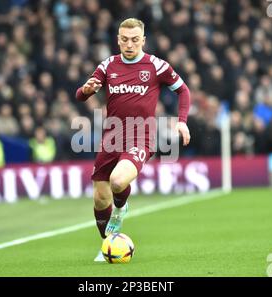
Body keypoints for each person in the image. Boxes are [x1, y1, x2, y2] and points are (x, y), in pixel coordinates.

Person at [75, 18, 191, 261]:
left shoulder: (156, 66)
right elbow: (81, 95)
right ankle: (108, 244)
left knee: (118, 181)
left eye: (135, 40)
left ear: (143, 40)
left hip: (141, 135)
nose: (129, 44)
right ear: (118, 40)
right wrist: (86, 90)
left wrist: (181, 120)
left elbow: (183, 90)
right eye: (125, 39)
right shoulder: (108, 66)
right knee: (99, 198)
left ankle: (120, 209)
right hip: (112, 136)